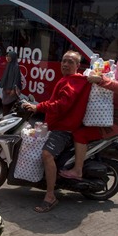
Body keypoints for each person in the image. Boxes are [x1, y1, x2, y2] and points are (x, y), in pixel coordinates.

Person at [23, 51, 92, 213]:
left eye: (70, 62)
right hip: (53, 124)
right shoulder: (67, 80)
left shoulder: (74, 82)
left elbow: (62, 105)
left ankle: (50, 196)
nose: (66, 64)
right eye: (64, 61)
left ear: (77, 66)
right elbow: (56, 103)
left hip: (63, 129)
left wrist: (38, 107)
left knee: (47, 154)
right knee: (31, 137)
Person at [60, 53, 118, 180]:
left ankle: (77, 170)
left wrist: (101, 80)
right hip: (101, 118)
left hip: (114, 123)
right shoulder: (113, 75)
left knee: (81, 134)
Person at [0, 51, 21, 115]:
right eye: (7, 56)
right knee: (5, 107)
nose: (7, 57)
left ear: (13, 57)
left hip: (11, 91)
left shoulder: (16, 66)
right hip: (6, 90)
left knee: (10, 107)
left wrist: (13, 89)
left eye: (9, 56)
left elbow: (16, 78)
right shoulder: (8, 65)